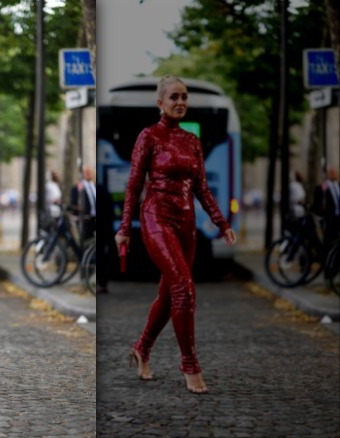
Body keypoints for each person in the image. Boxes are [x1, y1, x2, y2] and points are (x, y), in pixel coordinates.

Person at [115, 75, 236, 394]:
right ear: (160, 103)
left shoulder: (192, 141)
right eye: (174, 97)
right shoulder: (149, 136)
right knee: (184, 288)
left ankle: (142, 347)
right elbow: (134, 184)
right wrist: (125, 228)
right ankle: (190, 364)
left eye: (184, 97)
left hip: (186, 223)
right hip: (156, 216)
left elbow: (202, 188)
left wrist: (222, 223)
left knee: (170, 294)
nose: (180, 102)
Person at [313, 165, 340, 254]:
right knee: (329, 239)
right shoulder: (325, 185)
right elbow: (320, 195)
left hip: (338, 217)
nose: (333, 174)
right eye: (330, 172)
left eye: (334, 172)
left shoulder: (337, 185)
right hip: (330, 218)